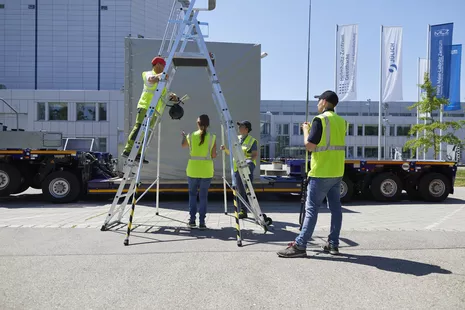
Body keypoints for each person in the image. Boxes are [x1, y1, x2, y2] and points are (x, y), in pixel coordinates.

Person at [277, 90, 347, 258]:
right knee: (336, 209)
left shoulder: (320, 120)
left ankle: (300, 245)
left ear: (324, 101)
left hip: (321, 172)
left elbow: (309, 146)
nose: (317, 104)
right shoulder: (342, 122)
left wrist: (305, 130)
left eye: (318, 101)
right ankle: (333, 244)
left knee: (312, 209)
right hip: (337, 171)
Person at [122, 56, 178, 163]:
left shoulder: (161, 80)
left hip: (154, 110)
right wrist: (160, 76)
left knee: (146, 132)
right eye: (163, 66)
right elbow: (151, 80)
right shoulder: (147, 73)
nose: (164, 69)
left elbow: (163, 94)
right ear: (157, 65)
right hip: (145, 106)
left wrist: (173, 96)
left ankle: (139, 154)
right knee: (139, 128)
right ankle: (128, 150)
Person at [182, 114, 217, 230]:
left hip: (192, 169)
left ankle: (192, 221)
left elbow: (183, 146)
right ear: (208, 124)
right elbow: (213, 155)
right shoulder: (212, 137)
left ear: (198, 123)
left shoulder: (191, 135)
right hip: (206, 170)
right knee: (203, 196)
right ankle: (202, 222)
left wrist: (183, 136)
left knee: (192, 195)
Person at [220, 120, 258, 219]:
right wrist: (225, 149)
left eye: (241, 126)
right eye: (239, 126)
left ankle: (255, 210)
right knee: (240, 190)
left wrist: (246, 161)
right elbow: (232, 153)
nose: (239, 128)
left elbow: (254, 156)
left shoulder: (252, 141)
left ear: (246, 129)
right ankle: (243, 211)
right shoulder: (237, 139)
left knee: (248, 190)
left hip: (247, 167)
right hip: (237, 168)